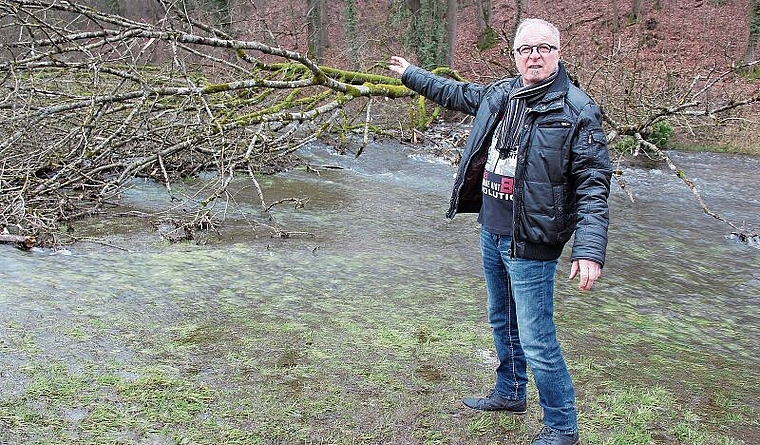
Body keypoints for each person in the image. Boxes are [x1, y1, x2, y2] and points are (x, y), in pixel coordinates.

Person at [388, 18, 612, 445]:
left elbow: (594, 185)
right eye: (526, 49)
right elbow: (454, 93)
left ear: (558, 53)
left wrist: (589, 249)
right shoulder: (502, 94)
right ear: (515, 55)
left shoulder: (576, 110)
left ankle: (562, 427)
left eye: (543, 48)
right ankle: (511, 392)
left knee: (537, 338)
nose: (534, 55)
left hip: (531, 238)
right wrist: (411, 75)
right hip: (491, 228)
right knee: (502, 320)